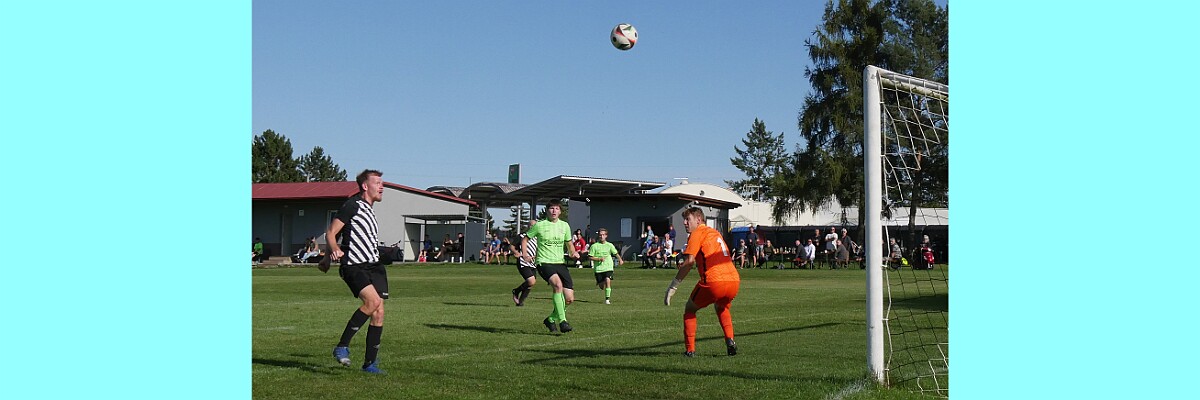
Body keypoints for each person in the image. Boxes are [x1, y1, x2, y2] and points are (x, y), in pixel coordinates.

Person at [325, 169, 388, 374]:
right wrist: (334, 250)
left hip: (374, 266)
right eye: (377, 183)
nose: (382, 186)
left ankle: (370, 364)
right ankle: (342, 346)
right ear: (365, 186)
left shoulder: (369, 209)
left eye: (382, 183)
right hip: (354, 265)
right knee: (372, 302)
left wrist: (325, 259)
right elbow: (331, 232)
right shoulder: (352, 205)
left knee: (379, 312)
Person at [664, 207, 740, 357]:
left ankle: (690, 350)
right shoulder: (715, 232)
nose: (685, 223)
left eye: (688, 219)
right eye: (684, 220)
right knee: (721, 307)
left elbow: (689, 262)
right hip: (733, 280)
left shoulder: (697, 232)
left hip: (714, 281)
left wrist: (673, 286)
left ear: (698, 220)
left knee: (690, 309)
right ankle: (730, 341)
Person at [522, 200, 580, 333]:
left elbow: (569, 243)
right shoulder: (540, 225)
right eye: (551, 208)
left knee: (569, 299)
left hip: (560, 263)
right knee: (557, 285)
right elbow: (525, 239)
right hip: (544, 262)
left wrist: (573, 253)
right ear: (547, 211)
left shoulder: (564, 226)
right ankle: (563, 321)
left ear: (560, 211)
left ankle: (550, 319)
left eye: (557, 209)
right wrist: (525, 254)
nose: (554, 211)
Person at [587, 228, 622, 304]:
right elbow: (590, 257)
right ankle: (599, 282)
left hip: (608, 267)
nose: (601, 236)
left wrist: (620, 259)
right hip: (599, 268)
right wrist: (598, 259)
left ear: (606, 236)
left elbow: (615, 253)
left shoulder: (609, 245)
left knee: (607, 280)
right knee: (601, 286)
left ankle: (607, 299)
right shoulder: (594, 246)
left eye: (603, 235)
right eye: (600, 235)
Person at [511, 221, 538, 306]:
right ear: (528, 226)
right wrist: (516, 252)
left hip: (532, 262)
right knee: (531, 281)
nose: (532, 227)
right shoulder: (522, 236)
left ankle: (520, 302)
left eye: (534, 226)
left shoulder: (537, 237)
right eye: (531, 225)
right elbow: (512, 246)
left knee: (530, 284)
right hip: (523, 261)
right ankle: (516, 291)